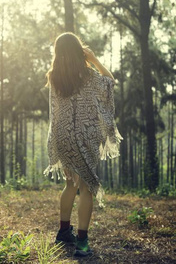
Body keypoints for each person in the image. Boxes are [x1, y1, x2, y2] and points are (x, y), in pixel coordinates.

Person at [44, 32, 122, 257]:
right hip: (85, 136)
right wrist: (95, 60)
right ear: (80, 51)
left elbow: (55, 111)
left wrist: (57, 143)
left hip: (62, 136)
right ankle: (82, 243)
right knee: (86, 187)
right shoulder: (88, 75)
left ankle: (63, 232)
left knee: (70, 184)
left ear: (57, 53)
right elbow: (110, 83)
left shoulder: (54, 77)